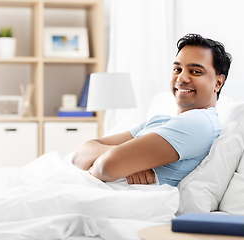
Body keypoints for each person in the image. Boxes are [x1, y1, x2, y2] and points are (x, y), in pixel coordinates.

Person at [72, 33, 232, 187]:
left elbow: (107, 166)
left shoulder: (199, 122)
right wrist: (133, 159)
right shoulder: (159, 120)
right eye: (177, 69)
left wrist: (123, 158)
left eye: (195, 71)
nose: (182, 78)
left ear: (218, 82)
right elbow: (79, 156)